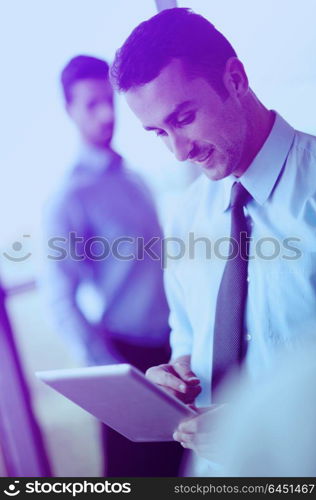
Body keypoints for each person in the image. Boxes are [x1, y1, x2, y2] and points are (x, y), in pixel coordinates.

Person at [110, 8, 316, 473]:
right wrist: (174, 375)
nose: (179, 150)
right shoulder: (186, 215)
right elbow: (188, 335)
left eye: (183, 118)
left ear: (236, 79)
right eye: (158, 133)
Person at [43, 54, 183, 477]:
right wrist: (115, 384)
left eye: (109, 100)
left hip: (172, 351)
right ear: (69, 110)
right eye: (91, 104)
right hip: (128, 359)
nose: (106, 113)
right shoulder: (70, 197)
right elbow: (59, 300)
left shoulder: (134, 178)